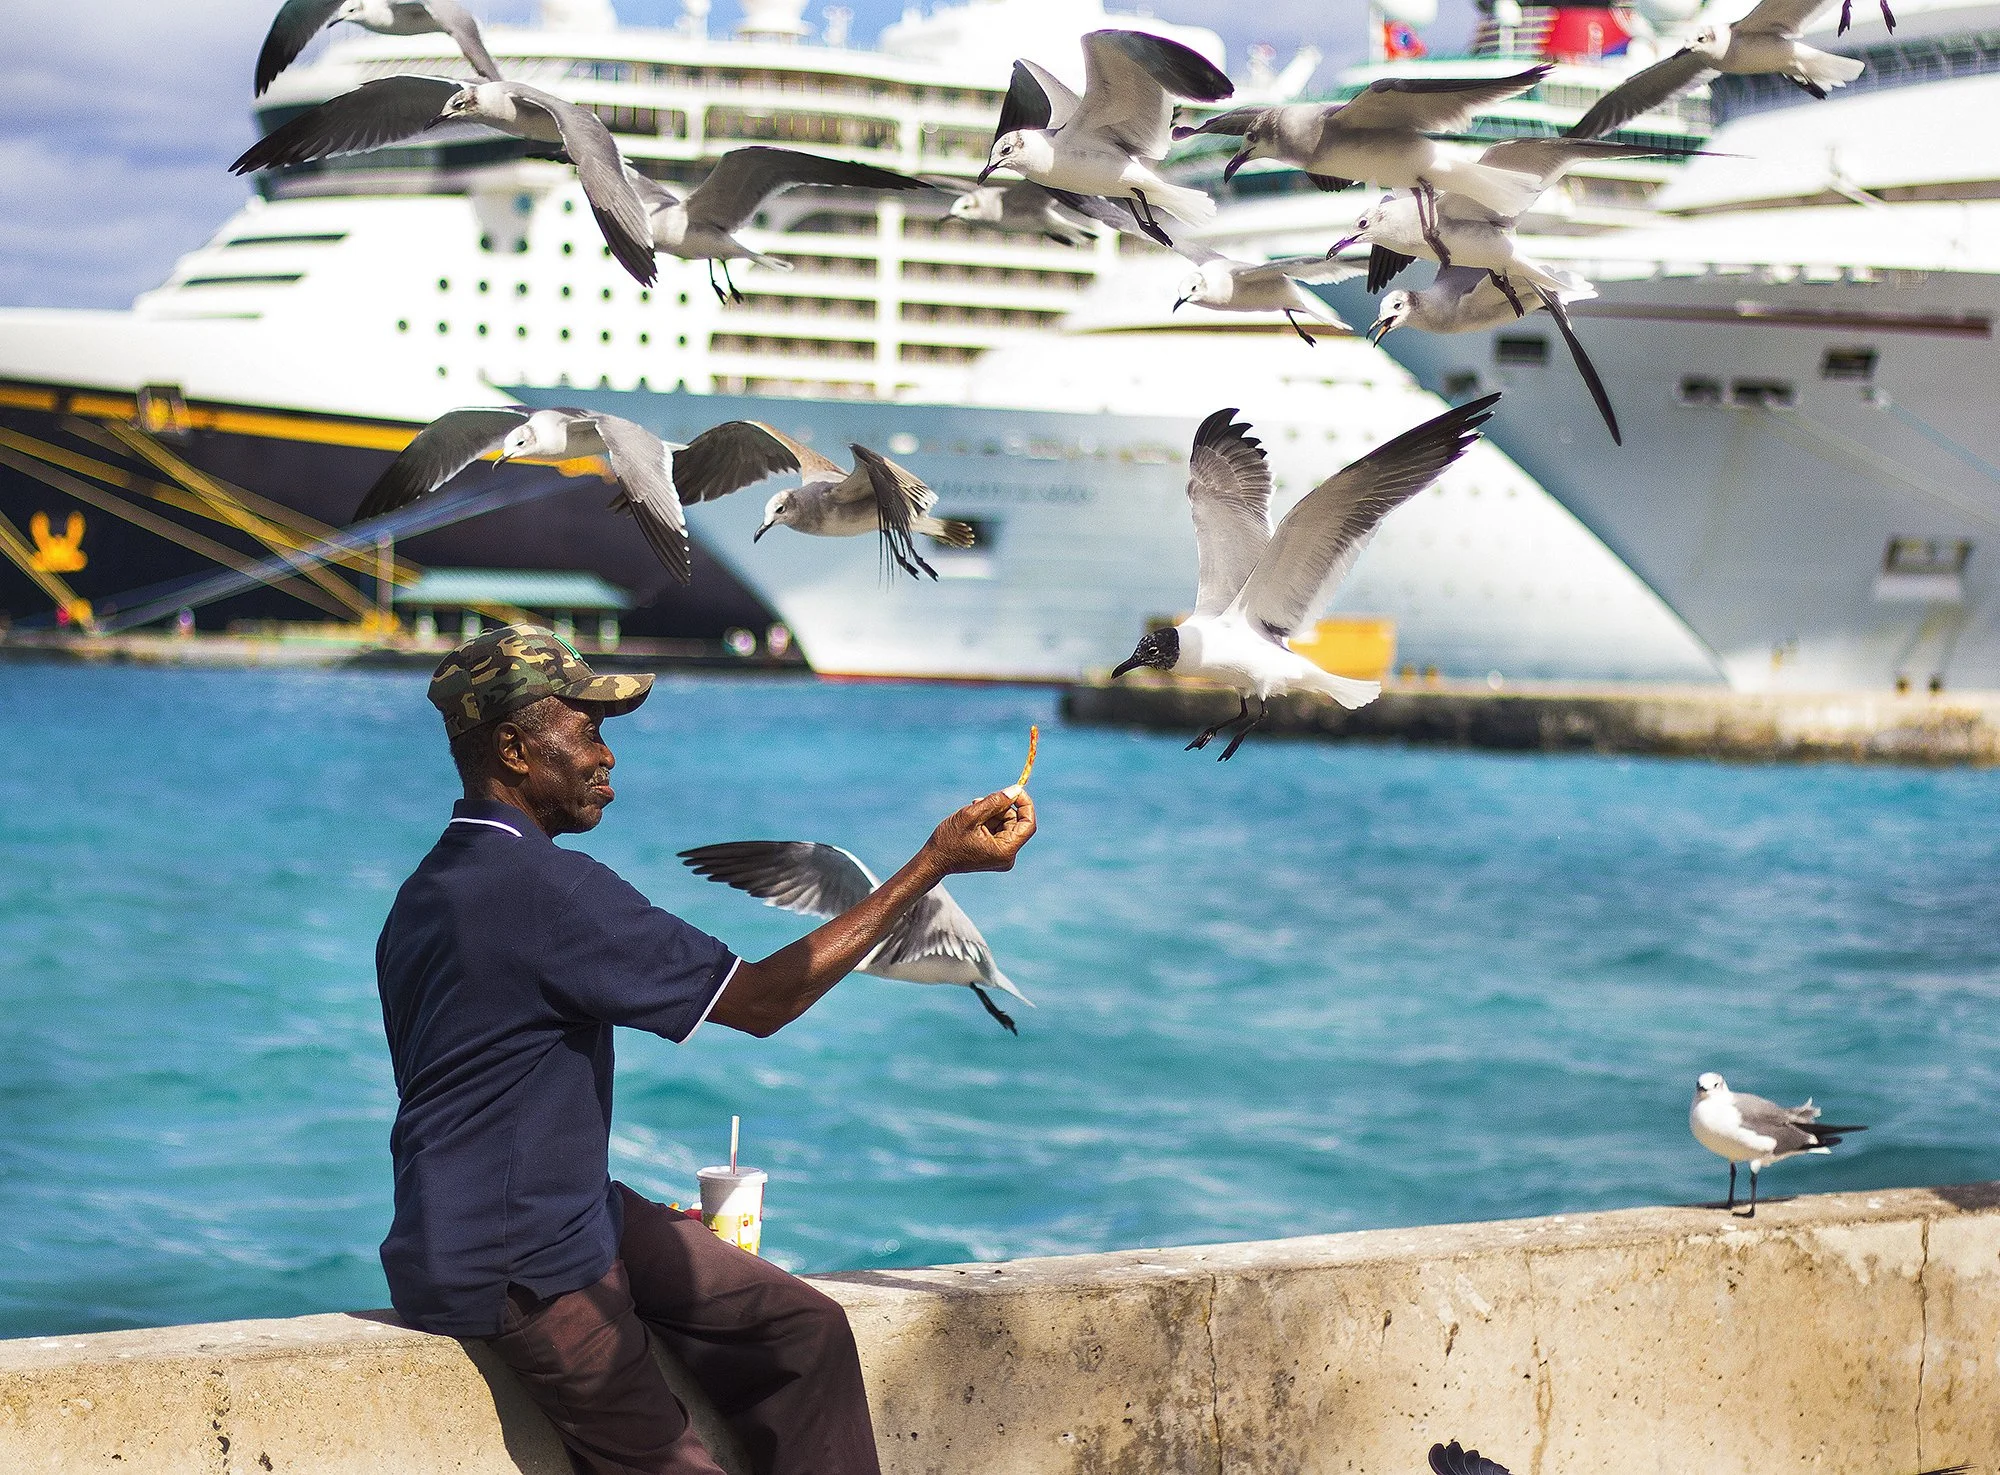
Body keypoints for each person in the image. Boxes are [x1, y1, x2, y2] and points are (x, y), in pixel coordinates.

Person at [374, 625, 1037, 1475]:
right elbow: (764, 1001)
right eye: (587, 730)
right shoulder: (550, 890)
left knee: (805, 1330)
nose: (606, 756)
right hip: (518, 1259)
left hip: (538, 1214)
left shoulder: (423, 893)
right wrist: (935, 860)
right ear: (513, 747)